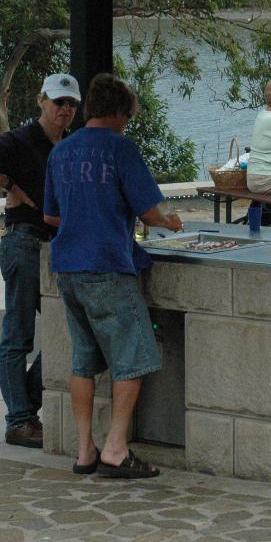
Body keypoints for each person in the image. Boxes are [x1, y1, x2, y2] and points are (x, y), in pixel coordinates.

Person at [43, 73, 183, 479]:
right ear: (121, 112)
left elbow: (51, 215)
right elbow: (149, 211)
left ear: (88, 108)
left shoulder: (61, 152)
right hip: (107, 266)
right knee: (132, 358)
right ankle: (116, 450)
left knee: (83, 361)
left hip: (67, 267)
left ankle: (85, 449)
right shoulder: (121, 148)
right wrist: (169, 223)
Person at [0, 72, 81, 449]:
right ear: (42, 101)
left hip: (56, 244)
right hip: (24, 242)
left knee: (69, 327)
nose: (65, 110)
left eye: (71, 104)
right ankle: (20, 418)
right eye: (59, 102)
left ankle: (25, 403)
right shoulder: (20, 140)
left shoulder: (70, 144)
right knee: (18, 333)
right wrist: (9, 185)